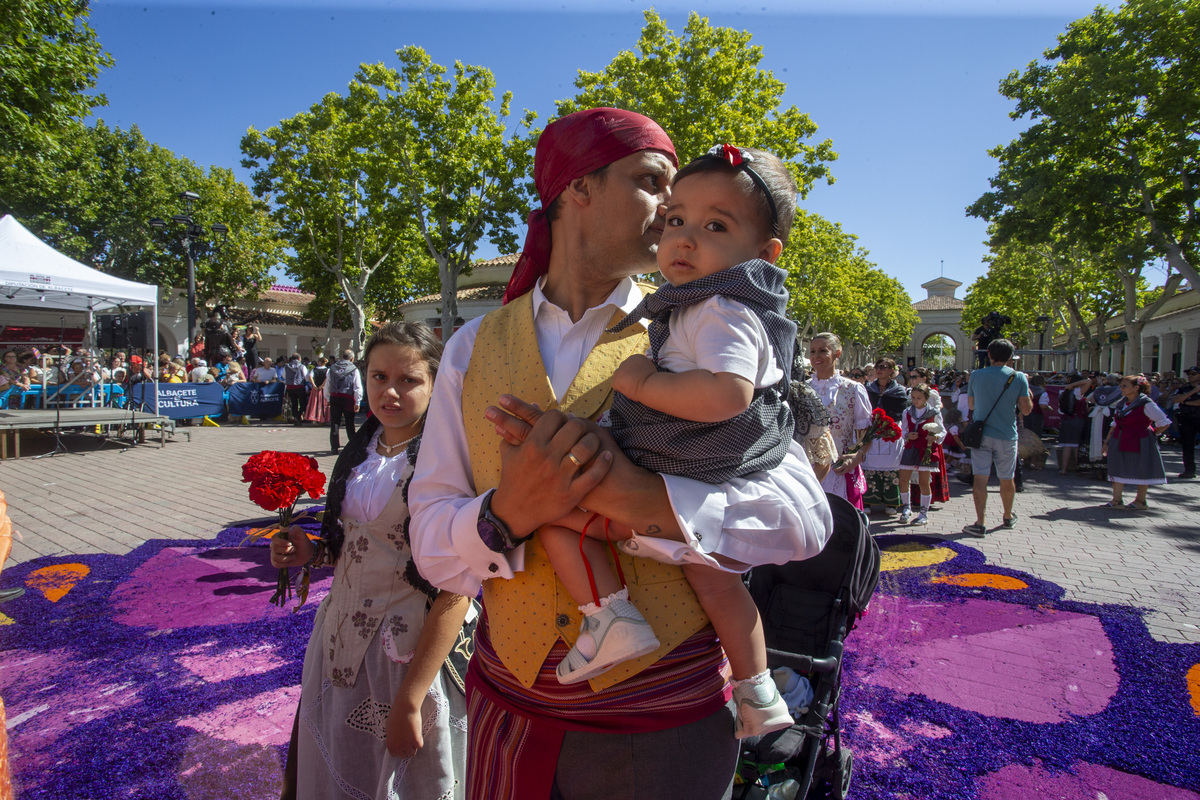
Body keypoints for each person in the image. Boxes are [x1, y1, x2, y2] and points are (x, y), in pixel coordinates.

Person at [409, 108, 832, 800]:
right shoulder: (470, 348)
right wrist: (504, 515)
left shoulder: (712, 330)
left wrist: (649, 503)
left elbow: (806, 519)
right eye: (651, 182)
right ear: (577, 188)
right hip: (505, 711)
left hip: (664, 730)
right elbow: (429, 542)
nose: (671, 209)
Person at [514, 145, 798, 739]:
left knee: (561, 518)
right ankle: (758, 690)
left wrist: (643, 380)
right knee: (718, 583)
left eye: (715, 226)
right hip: (697, 470)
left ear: (766, 253)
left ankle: (609, 616)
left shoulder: (721, 309)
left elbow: (727, 394)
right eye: (675, 220)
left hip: (686, 463)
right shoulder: (704, 307)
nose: (685, 239)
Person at [269, 322, 469, 800]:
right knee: (343, 767)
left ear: (437, 383)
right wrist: (308, 551)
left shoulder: (450, 461)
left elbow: (457, 587)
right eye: (378, 377)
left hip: (410, 657)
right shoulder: (362, 450)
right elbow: (353, 547)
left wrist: (411, 698)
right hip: (340, 645)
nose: (390, 392)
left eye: (409, 380)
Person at [962, 339, 1032, 537]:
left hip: (981, 435)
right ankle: (1008, 516)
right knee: (1007, 478)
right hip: (1007, 435)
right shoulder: (1018, 377)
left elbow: (972, 406)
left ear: (989, 355)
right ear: (1011, 356)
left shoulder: (976, 375)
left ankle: (980, 523)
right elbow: (1026, 410)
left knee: (980, 478)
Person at [808, 332, 871, 508]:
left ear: (837, 353)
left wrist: (858, 456)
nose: (816, 356)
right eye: (812, 351)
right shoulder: (802, 389)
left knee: (840, 521)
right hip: (807, 467)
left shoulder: (853, 389)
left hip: (840, 468)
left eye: (822, 351)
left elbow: (865, 433)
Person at [1101, 375, 1171, 511]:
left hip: (1139, 440)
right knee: (1117, 465)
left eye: (1124, 386)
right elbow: (1115, 424)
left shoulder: (1146, 403)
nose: (1121, 388)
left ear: (1136, 388)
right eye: (1121, 385)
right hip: (1119, 438)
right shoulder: (1122, 403)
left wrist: (1152, 433)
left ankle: (1140, 501)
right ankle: (1116, 499)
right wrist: (1107, 442)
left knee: (1141, 467)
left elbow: (1164, 422)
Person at [862, 358, 909, 516]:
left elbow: (902, 413)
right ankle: (868, 501)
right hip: (872, 431)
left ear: (891, 370)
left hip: (890, 432)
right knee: (869, 466)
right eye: (877, 367)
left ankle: (891, 503)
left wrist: (889, 425)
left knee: (891, 467)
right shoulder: (868, 389)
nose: (879, 369)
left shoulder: (900, 391)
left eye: (884, 367)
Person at [897, 383, 945, 526]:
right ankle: (906, 508)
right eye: (913, 398)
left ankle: (924, 513)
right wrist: (907, 435)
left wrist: (935, 437)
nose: (916, 400)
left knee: (924, 481)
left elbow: (942, 431)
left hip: (925, 449)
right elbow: (902, 430)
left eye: (919, 398)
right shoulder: (907, 412)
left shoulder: (934, 413)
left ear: (926, 398)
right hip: (911, 447)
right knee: (904, 479)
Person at [325, 349, 362, 453]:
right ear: (352, 358)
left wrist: (327, 398)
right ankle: (352, 445)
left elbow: (328, 385)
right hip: (348, 398)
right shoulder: (354, 369)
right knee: (349, 422)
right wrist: (357, 402)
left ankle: (334, 446)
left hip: (335, 397)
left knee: (335, 422)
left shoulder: (332, 368)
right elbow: (357, 387)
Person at [1168, 366, 1200, 478]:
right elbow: (1176, 399)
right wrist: (1193, 391)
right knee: (1187, 446)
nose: (1190, 376)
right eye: (1189, 374)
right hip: (1186, 419)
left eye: (1193, 374)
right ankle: (1189, 470)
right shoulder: (1184, 388)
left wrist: (1185, 402)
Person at [282, 352, 309, 425]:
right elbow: (307, 377)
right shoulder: (302, 366)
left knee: (294, 403)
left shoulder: (286, 366)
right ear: (299, 358)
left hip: (290, 387)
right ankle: (298, 417)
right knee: (303, 403)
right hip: (299, 386)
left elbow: (284, 376)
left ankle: (295, 417)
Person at [305, 356, 331, 424]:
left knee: (315, 403)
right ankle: (323, 419)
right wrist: (322, 385)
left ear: (319, 362)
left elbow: (310, 377)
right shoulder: (327, 370)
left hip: (316, 389)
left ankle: (314, 419)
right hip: (323, 389)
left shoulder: (314, 370)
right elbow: (327, 378)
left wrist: (314, 386)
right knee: (323, 403)